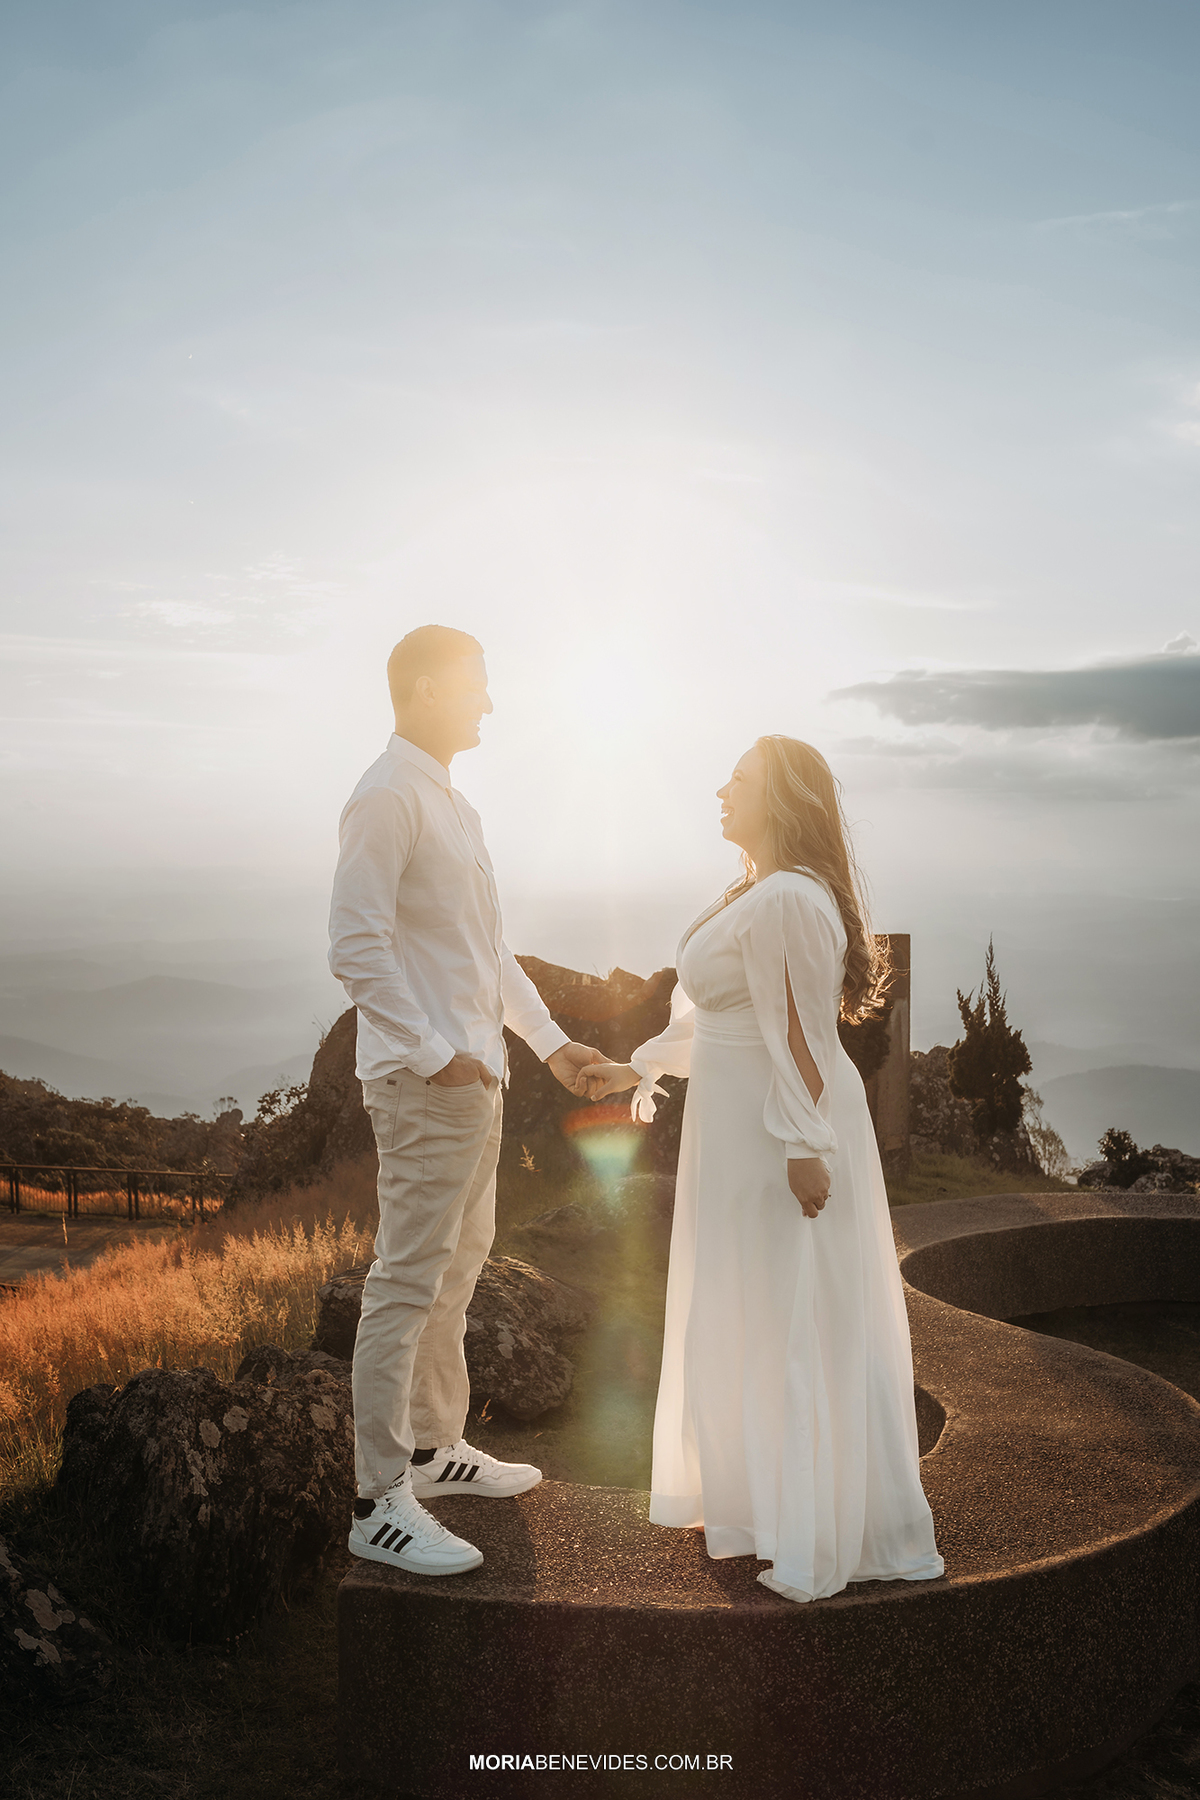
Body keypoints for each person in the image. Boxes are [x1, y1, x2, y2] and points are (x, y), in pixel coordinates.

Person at [578, 736, 944, 1603]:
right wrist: (641, 1068)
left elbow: (806, 1036)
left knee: (794, 1308)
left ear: (778, 799)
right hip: (739, 1132)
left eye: (737, 780)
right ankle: (759, 1504)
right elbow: (725, 1022)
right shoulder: (756, 892)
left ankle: (812, 1527)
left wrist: (805, 1145)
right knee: (750, 1299)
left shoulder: (787, 898)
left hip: (779, 1136)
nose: (719, 789)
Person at [329, 625, 602, 1577]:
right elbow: (353, 944)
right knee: (404, 1283)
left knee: (457, 1269)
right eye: (478, 686)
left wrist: (556, 1047)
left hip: (472, 1083)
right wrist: (438, 1054)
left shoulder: (454, 805)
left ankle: (432, 1450)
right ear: (427, 688)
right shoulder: (385, 798)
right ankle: (376, 1500)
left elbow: (490, 955)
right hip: (423, 1088)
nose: (490, 703)